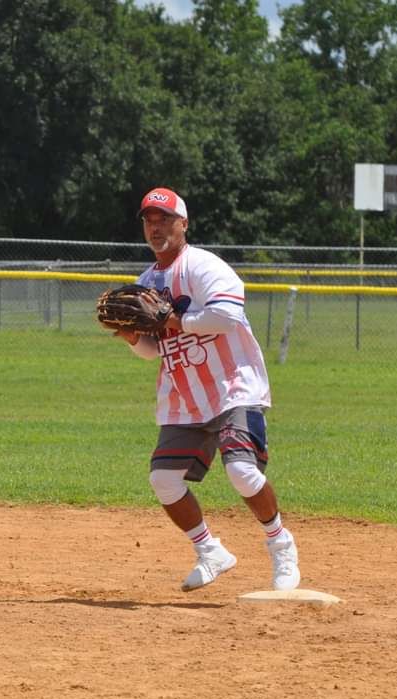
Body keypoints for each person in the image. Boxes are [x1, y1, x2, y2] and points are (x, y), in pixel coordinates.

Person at [113, 187, 300, 593]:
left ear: (184, 224)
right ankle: (210, 551)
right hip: (185, 398)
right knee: (163, 480)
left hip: (233, 386)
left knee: (241, 471)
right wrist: (131, 337)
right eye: (149, 221)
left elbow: (227, 316)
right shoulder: (145, 283)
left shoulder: (203, 266)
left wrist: (174, 321)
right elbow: (153, 350)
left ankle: (280, 544)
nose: (156, 228)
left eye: (164, 220)